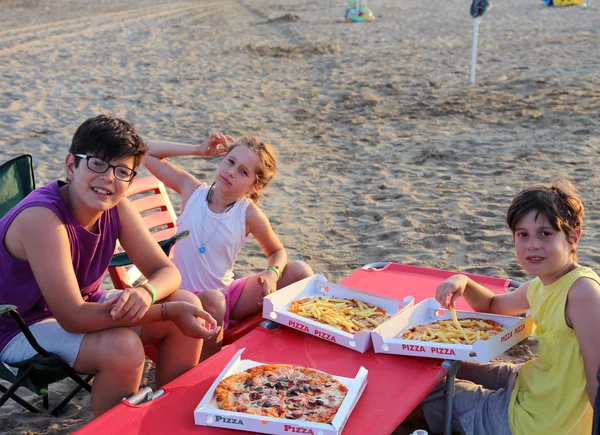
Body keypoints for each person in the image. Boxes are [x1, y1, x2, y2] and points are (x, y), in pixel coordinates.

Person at [0, 115, 221, 417]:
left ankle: (172, 418)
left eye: (122, 171)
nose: (108, 178)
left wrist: (146, 294)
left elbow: (167, 271)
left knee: (186, 300)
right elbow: (73, 318)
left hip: (79, 307)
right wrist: (166, 311)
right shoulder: (42, 218)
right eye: (97, 164)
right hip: (16, 327)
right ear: (70, 165)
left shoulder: (116, 207)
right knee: (124, 347)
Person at [423, 180, 600, 435]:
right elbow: (493, 305)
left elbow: (598, 380)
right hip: (535, 382)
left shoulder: (582, 292)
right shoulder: (541, 284)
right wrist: (463, 280)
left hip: (541, 423)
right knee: (442, 365)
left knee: (432, 391)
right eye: (522, 234)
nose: (532, 245)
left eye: (545, 234)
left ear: (573, 237)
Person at [143, 134, 314, 358]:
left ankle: (285, 353)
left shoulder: (248, 213)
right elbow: (146, 151)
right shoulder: (192, 191)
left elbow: (277, 252)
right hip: (180, 295)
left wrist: (272, 273)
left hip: (226, 295)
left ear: (255, 186)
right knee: (214, 300)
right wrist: (198, 149)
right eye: (230, 161)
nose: (231, 172)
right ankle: (207, 371)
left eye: (243, 172)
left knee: (300, 272)